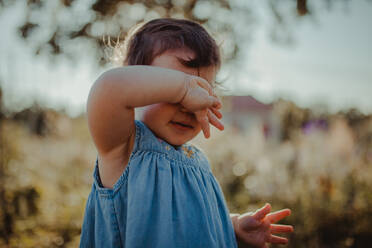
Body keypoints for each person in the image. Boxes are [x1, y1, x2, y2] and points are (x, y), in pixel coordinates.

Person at [79, 18, 293, 248]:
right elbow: (109, 89)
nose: (190, 105)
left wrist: (232, 226)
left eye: (201, 91)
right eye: (175, 89)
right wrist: (184, 89)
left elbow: (187, 221)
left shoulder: (198, 161)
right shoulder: (122, 147)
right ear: (139, 86)